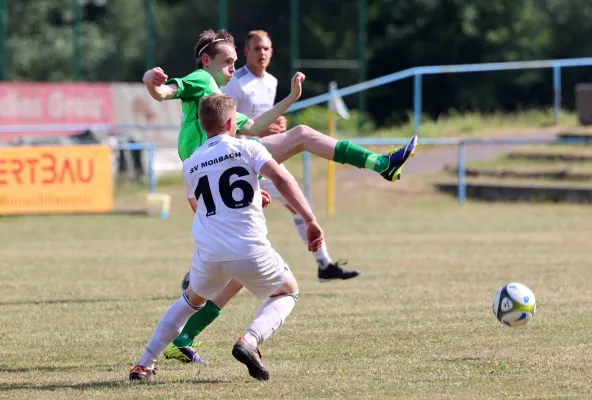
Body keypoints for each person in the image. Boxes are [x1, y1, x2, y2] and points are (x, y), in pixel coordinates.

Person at [142, 29, 418, 365]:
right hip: (216, 165)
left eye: (234, 62)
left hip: (211, 178)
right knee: (302, 135)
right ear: (205, 61)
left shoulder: (222, 105)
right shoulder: (202, 79)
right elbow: (163, 92)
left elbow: (255, 126)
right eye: (227, 61)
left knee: (237, 273)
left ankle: (182, 339)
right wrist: (149, 80)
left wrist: (290, 98)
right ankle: (380, 163)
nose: (232, 67)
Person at [129, 93, 324, 381]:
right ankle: (250, 341)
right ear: (231, 122)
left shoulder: (191, 162)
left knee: (188, 301)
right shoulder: (247, 147)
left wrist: (252, 197)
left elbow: (200, 206)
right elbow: (283, 179)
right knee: (287, 291)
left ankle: (144, 363)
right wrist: (310, 219)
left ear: (202, 124)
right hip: (248, 248)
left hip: (209, 253)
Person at [219, 29, 359, 282]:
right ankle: (195, 276)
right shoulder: (235, 83)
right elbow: (224, 124)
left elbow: (263, 124)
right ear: (246, 52)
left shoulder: (271, 82)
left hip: (261, 159)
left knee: (295, 205)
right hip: (240, 162)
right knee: (232, 220)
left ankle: (324, 265)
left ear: (271, 52)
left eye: (266, 48)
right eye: (257, 48)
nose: (262, 53)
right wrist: (258, 128)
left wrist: (275, 126)